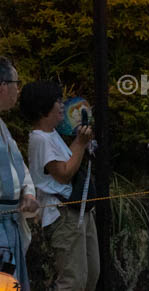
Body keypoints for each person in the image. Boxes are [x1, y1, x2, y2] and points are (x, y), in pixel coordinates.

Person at [21, 82, 99, 290]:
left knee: (91, 273)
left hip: (77, 209)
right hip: (63, 214)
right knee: (73, 281)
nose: (62, 106)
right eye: (57, 101)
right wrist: (81, 144)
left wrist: (81, 141)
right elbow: (63, 174)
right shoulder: (40, 139)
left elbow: (70, 159)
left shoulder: (51, 135)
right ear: (42, 108)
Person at [0, 58, 38, 290]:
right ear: (3, 86)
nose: (18, 89)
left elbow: (21, 170)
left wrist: (29, 194)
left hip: (10, 222)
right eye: (16, 83)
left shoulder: (3, 127)